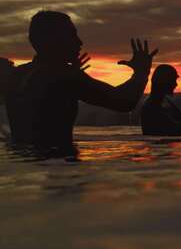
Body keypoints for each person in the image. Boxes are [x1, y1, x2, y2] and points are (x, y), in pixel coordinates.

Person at [5, 10, 158, 154]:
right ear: (54, 40)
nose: (79, 42)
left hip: (24, 165)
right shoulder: (64, 75)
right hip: (57, 163)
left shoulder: (17, 74)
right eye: (71, 36)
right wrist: (141, 72)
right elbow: (124, 101)